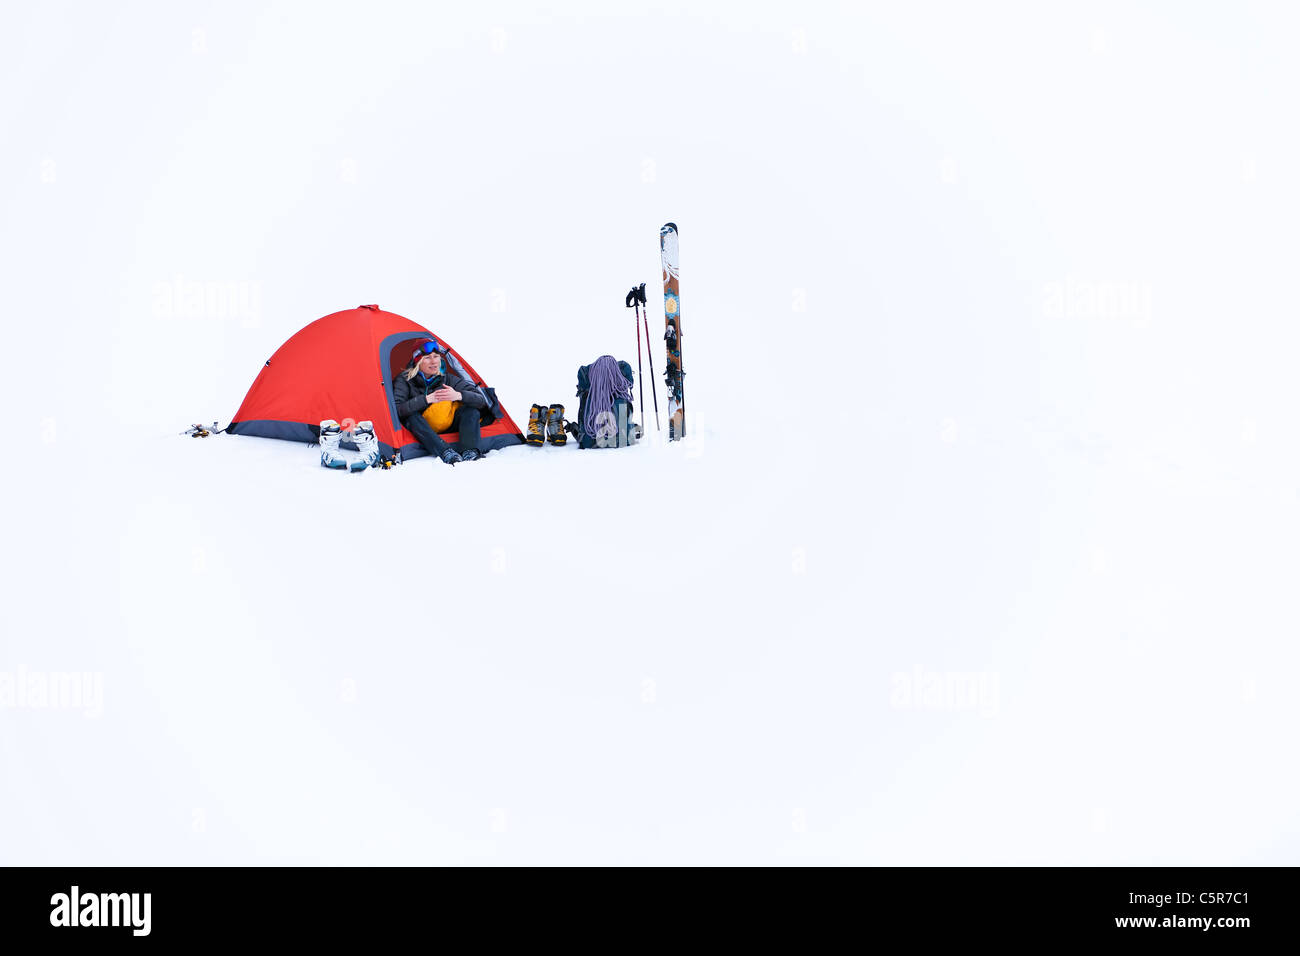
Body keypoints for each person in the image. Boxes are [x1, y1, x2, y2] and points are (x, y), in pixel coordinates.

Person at [393, 338, 490, 464]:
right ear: (418, 361)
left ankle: (470, 451)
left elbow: (482, 400)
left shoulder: (447, 379)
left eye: (436, 356)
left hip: (448, 423)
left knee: (471, 410)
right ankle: (445, 451)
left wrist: (458, 395)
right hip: (423, 429)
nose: (433, 361)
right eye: (427, 357)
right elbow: (397, 409)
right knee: (412, 417)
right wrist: (426, 399)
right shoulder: (404, 380)